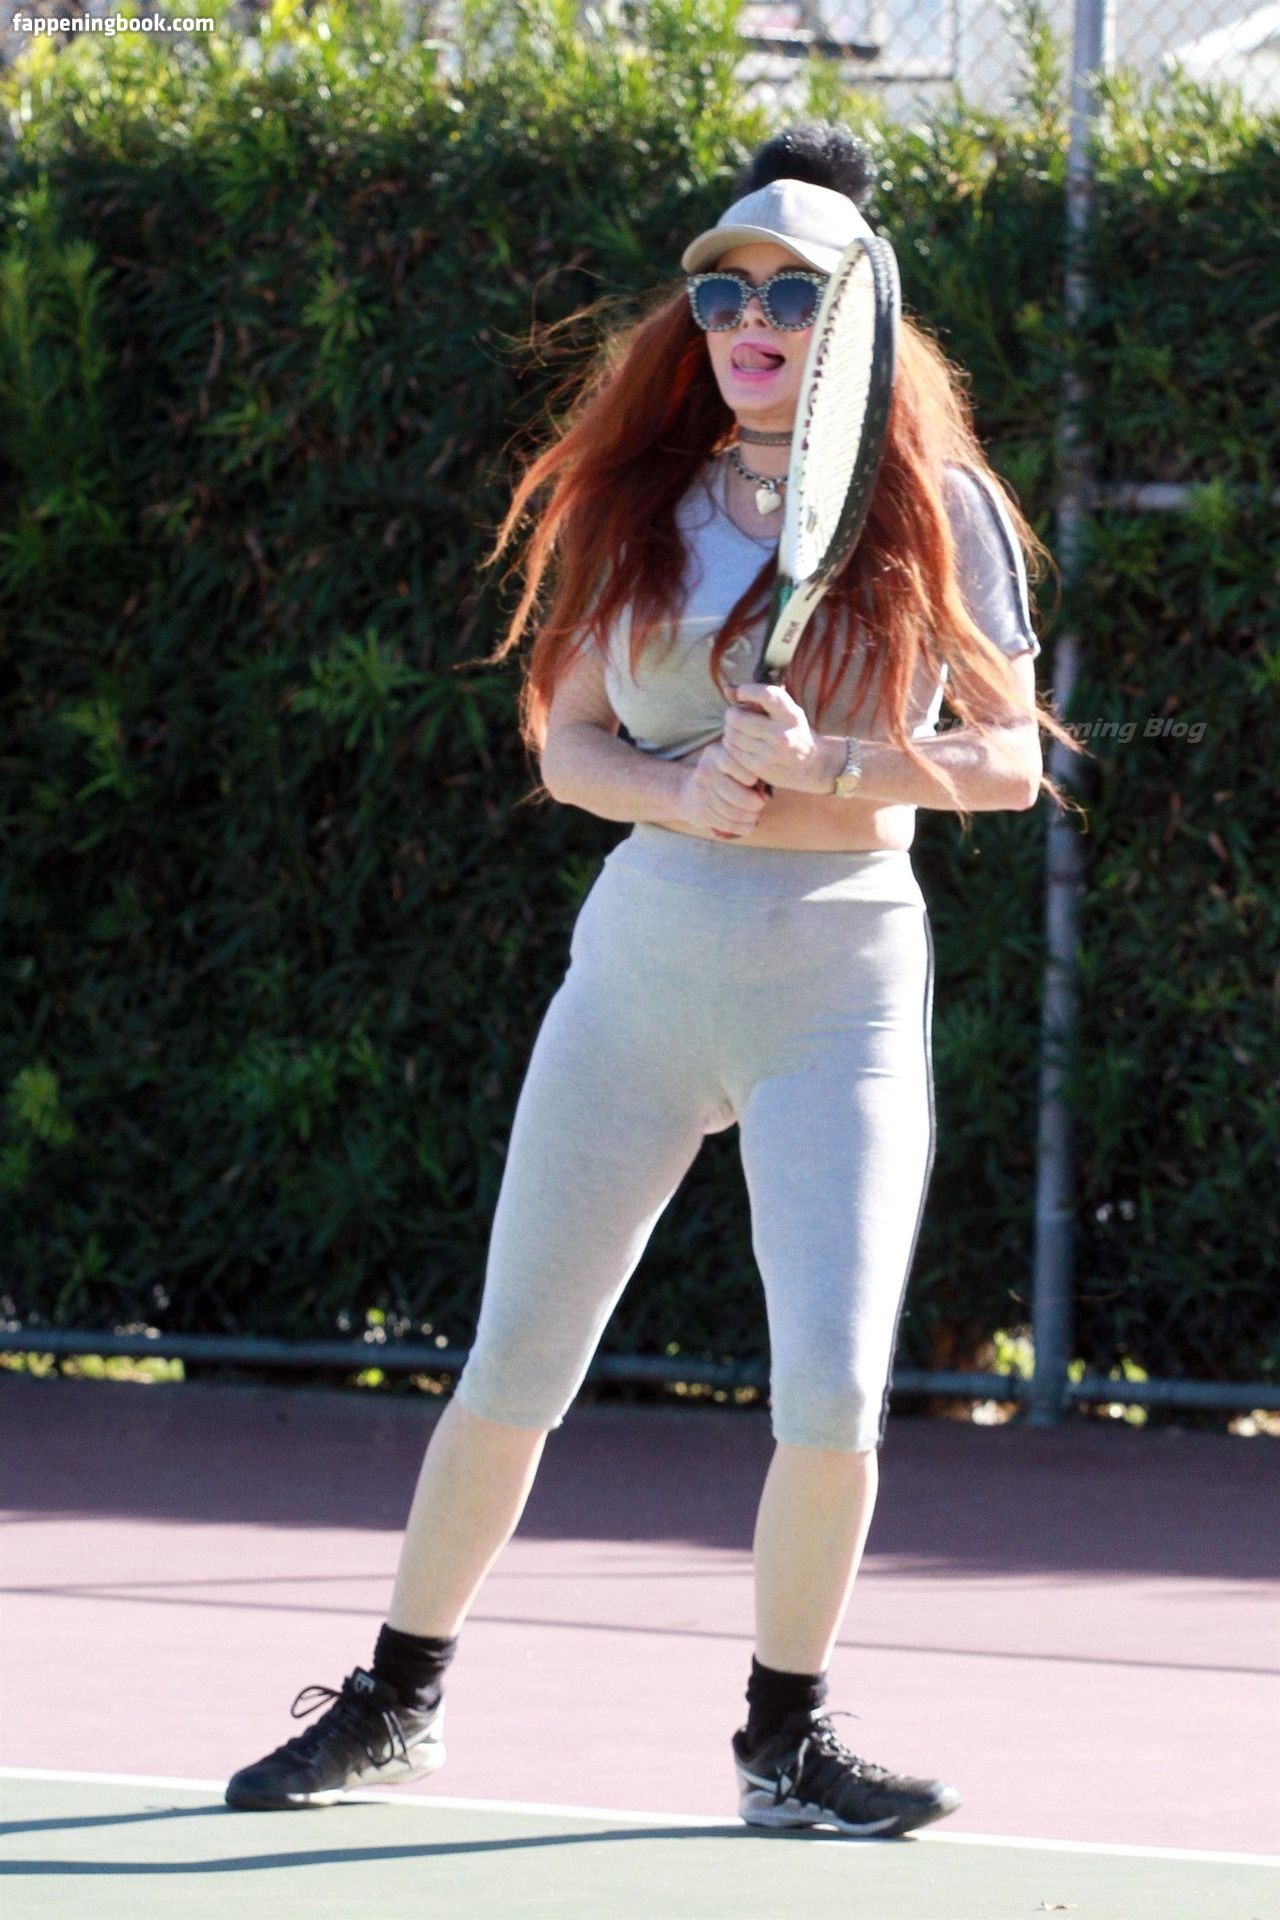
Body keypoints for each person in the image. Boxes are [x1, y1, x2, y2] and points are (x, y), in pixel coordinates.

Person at [225, 121, 1079, 1834]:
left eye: (792, 293)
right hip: (640, 972)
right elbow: (569, 747)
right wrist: (681, 790)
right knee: (514, 1362)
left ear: (860, 318)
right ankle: (396, 1700)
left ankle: (785, 1744)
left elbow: (1005, 764)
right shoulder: (638, 503)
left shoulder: (947, 512)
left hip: (840, 981)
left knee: (832, 1387)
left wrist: (834, 761)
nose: (750, 321)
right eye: (720, 292)